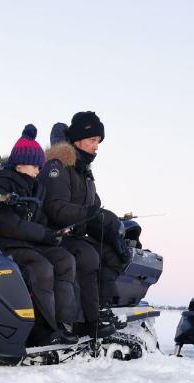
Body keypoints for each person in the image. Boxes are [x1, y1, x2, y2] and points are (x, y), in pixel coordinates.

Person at [0, 125, 79, 346]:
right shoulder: (2, 184)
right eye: (35, 165)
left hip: (29, 243)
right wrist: (44, 234)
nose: (39, 169)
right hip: (6, 244)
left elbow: (38, 221)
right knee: (41, 268)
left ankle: (63, 323)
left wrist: (54, 233)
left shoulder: (35, 188)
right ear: (20, 164)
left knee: (65, 259)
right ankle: (42, 330)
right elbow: (6, 224)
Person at [40, 112, 128, 338]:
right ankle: (85, 320)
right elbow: (55, 209)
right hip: (55, 235)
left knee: (113, 254)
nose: (96, 147)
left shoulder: (85, 172)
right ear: (78, 139)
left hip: (75, 234)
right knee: (88, 256)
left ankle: (102, 308)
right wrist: (89, 213)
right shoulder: (58, 166)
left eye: (98, 142)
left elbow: (95, 206)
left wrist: (108, 223)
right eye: (92, 140)